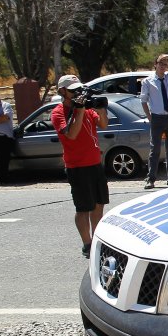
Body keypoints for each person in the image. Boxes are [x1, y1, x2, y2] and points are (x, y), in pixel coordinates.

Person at [50, 75, 110, 258]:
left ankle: (97, 239)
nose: (77, 93)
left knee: (98, 205)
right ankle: (87, 243)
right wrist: (79, 109)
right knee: (83, 207)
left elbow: (103, 125)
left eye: (78, 89)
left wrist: (101, 109)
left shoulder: (85, 107)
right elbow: (72, 134)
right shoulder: (58, 113)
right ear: (62, 91)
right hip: (77, 166)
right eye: (72, 90)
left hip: (95, 163)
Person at [139, 53, 168, 189]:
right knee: (155, 149)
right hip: (157, 118)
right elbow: (143, 100)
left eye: (165, 64)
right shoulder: (148, 81)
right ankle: (151, 179)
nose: (163, 66)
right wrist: (149, 117)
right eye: (160, 63)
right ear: (155, 64)